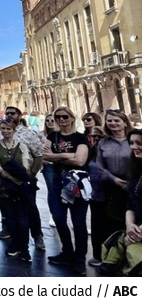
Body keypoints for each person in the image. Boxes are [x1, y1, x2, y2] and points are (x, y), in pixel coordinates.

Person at [42, 106, 90, 275]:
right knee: (59, 218)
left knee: (78, 223)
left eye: (64, 117)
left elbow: (80, 161)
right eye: (58, 117)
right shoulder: (52, 135)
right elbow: (44, 155)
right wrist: (68, 155)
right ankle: (67, 252)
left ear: (71, 118)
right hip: (58, 182)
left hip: (77, 181)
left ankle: (79, 259)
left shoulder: (80, 137)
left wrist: (58, 156)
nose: (61, 120)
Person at [92, 110, 134, 265]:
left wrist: (132, 181)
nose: (113, 123)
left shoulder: (134, 139)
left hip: (133, 185)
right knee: (110, 222)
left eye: (116, 120)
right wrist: (114, 180)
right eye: (109, 121)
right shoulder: (104, 142)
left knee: (131, 221)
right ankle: (110, 256)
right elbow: (99, 166)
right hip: (110, 186)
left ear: (124, 122)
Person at [0, 118, 33, 262]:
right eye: (3, 128)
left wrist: (19, 177)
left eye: (8, 129)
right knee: (9, 217)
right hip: (6, 184)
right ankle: (14, 244)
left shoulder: (22, 146)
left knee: (22, 218)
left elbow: (26, 165)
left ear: (14, 130)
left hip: (20, 185)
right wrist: (10, 177)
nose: (5, 131)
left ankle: (25, 248)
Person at [5, 106, 45, 250]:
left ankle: (37, 235)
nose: (9, 115)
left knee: (30, 207)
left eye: (12, 113)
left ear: (20, 115)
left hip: (25, 177)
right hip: (7, 178)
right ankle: (16, 239)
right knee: (10, 210)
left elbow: (39, 155)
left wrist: (32, 174)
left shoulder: (28, 133)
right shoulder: (0, 131)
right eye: (7, 113)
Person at [87, 126, 108, 265]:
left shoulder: (108, 152)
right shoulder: (92, 151)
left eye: (99, 137)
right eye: (93, 137)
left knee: (110, 226)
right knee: (96, 226)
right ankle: (98, 255)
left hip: (110, 195)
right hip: (95, 195)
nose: (95, 139)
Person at [123, 129, 142, 274]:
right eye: (131, 143)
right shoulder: (137, 172)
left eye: (139, 143)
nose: (133, 147)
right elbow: (131, 204)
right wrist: (130, 226)